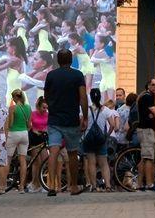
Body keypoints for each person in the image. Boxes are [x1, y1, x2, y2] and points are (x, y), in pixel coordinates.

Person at [44, 47, 88, 197]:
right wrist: (85, 116)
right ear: (71, 60)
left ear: (57, 60)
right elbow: (83, 97)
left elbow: (46, 96)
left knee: (53, 152)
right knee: (72, 153)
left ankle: (51, 186)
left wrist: (53, 107)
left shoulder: (51, 75)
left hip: (54, 119)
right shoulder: (77, 75)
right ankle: (74, 186)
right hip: (71, 120)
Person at [82, 87, 116, 192]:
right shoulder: (106, 110)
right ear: (100, 97)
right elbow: (112, 125)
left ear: (91, 98)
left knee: (91, 163)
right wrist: (107, 135)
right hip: (101, 140)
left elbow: (82, 125)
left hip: (88, 139)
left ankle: (94, 186)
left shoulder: (86, 110)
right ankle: (108, 186)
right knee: (104, 164)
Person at [5, 88, 31, 194]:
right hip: (24, 134)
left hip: (13, 133)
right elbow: (29, 125)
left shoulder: (12, 108)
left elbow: (10, 124)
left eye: (12, 97)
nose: (12, 99)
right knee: (23, 161)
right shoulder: (28, 108)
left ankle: (2, 185)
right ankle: (21, 187)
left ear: (16, 97)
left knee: (8, 159)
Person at [137, 77, 155, 191]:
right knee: (149, 158)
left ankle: (139, 184)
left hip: (143, 130)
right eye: (154, 84)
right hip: (147, 130)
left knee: (143, 159)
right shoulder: (148, 97)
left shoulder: (145, 96)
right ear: (149, 86)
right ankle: (150, 184)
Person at [28, 97, 49, 191]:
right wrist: (34, 130)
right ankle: (34, 183)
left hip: (43, 138)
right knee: (36, 162)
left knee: (44, 161)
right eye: (43, 107)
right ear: (38, 106)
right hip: (34, 138)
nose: (45, 109)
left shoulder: (48, 114)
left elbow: (49, 125)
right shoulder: (33, 114)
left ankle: (41, 183)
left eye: (46, 107)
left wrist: (45, 130)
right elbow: (29, 125)